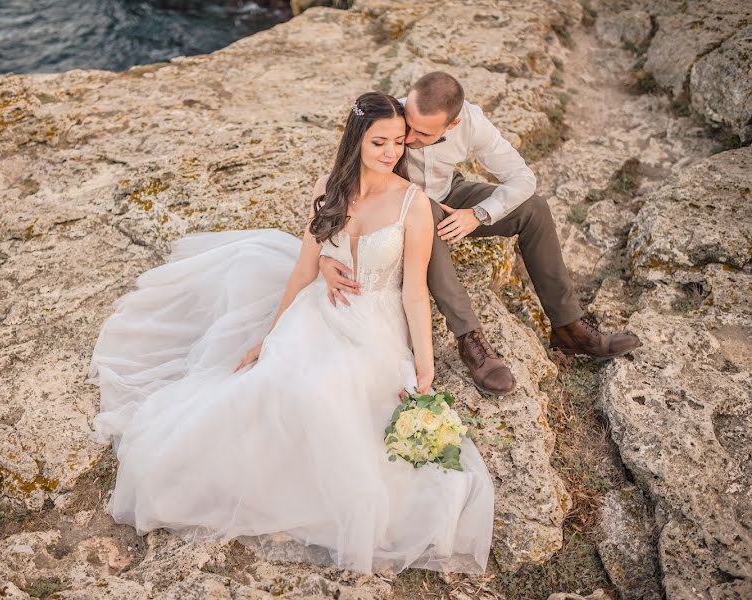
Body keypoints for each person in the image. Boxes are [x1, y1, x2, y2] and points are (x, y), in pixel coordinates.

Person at [86, 92, 494, 576]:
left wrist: (424, 363)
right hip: (321, 309)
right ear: (356, 141)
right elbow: (303, 271)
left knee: (330, 393)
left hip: (377, 324)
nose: (390, 152)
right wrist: (269, 334)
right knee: (272, 379)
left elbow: (413, 293)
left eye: (399, 142)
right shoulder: (330, 187)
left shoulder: (413, 203)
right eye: (379, 142)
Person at [319, 72, 641, 396]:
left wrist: (477, 215)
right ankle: (470, 338)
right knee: (426, 210)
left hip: (450, 194)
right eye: (409, 124)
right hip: (404, 210)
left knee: (535, 208)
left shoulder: (471, 122)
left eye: (422, 133)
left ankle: (569, 326)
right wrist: (328, 254)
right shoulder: (391, 118)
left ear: (452, 125)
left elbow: (522, 177)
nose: (409, 137)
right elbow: (347, 177)